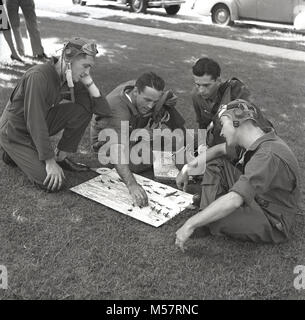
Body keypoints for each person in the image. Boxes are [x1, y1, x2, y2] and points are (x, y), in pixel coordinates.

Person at [175, 99, 300, 249]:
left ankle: (208, 216)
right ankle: (208, 210)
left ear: (237, 122)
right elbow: (219, 150)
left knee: (214, 219)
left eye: (223, 124)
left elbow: (235, 199)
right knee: (217, 163)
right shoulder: (258, 140)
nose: (221, 132)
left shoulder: (267, 155)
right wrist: (187, 168)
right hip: (259, 198)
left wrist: (191, 223)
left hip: (272, 220)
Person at [0, 37, 111, 192]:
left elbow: (101, 109)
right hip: (15, 131)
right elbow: (35, 120)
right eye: (85, 66)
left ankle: (61, 156)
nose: (87, 72)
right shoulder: (38, 76)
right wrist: (49, 161)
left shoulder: (69, 77)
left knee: (83, 109)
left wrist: (88, 81)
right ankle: (10, 152)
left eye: (90, 68)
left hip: (37, 123)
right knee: (51, 183)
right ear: (67, 58)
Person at [90, 72, 185, 207]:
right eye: (147, 100)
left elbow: (160, 98)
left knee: (172, 138)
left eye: (155, 101)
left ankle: (182, 147)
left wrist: (164, 100)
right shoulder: (117, 110)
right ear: (135, 92)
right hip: (107, 149)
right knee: (139, 160)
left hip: (129, 135)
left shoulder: (141, 87)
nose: (151, 106)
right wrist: (132, 185)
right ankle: (164, 154)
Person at [191, 57, 251, 146]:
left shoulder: (235, 92)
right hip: (212, 141)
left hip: (235, 144)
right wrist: (201, 147)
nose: (201, 90)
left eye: (206, 85)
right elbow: (202, 124)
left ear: (218, 81)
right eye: (198, 85)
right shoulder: (196, 95)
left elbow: (247, 126)